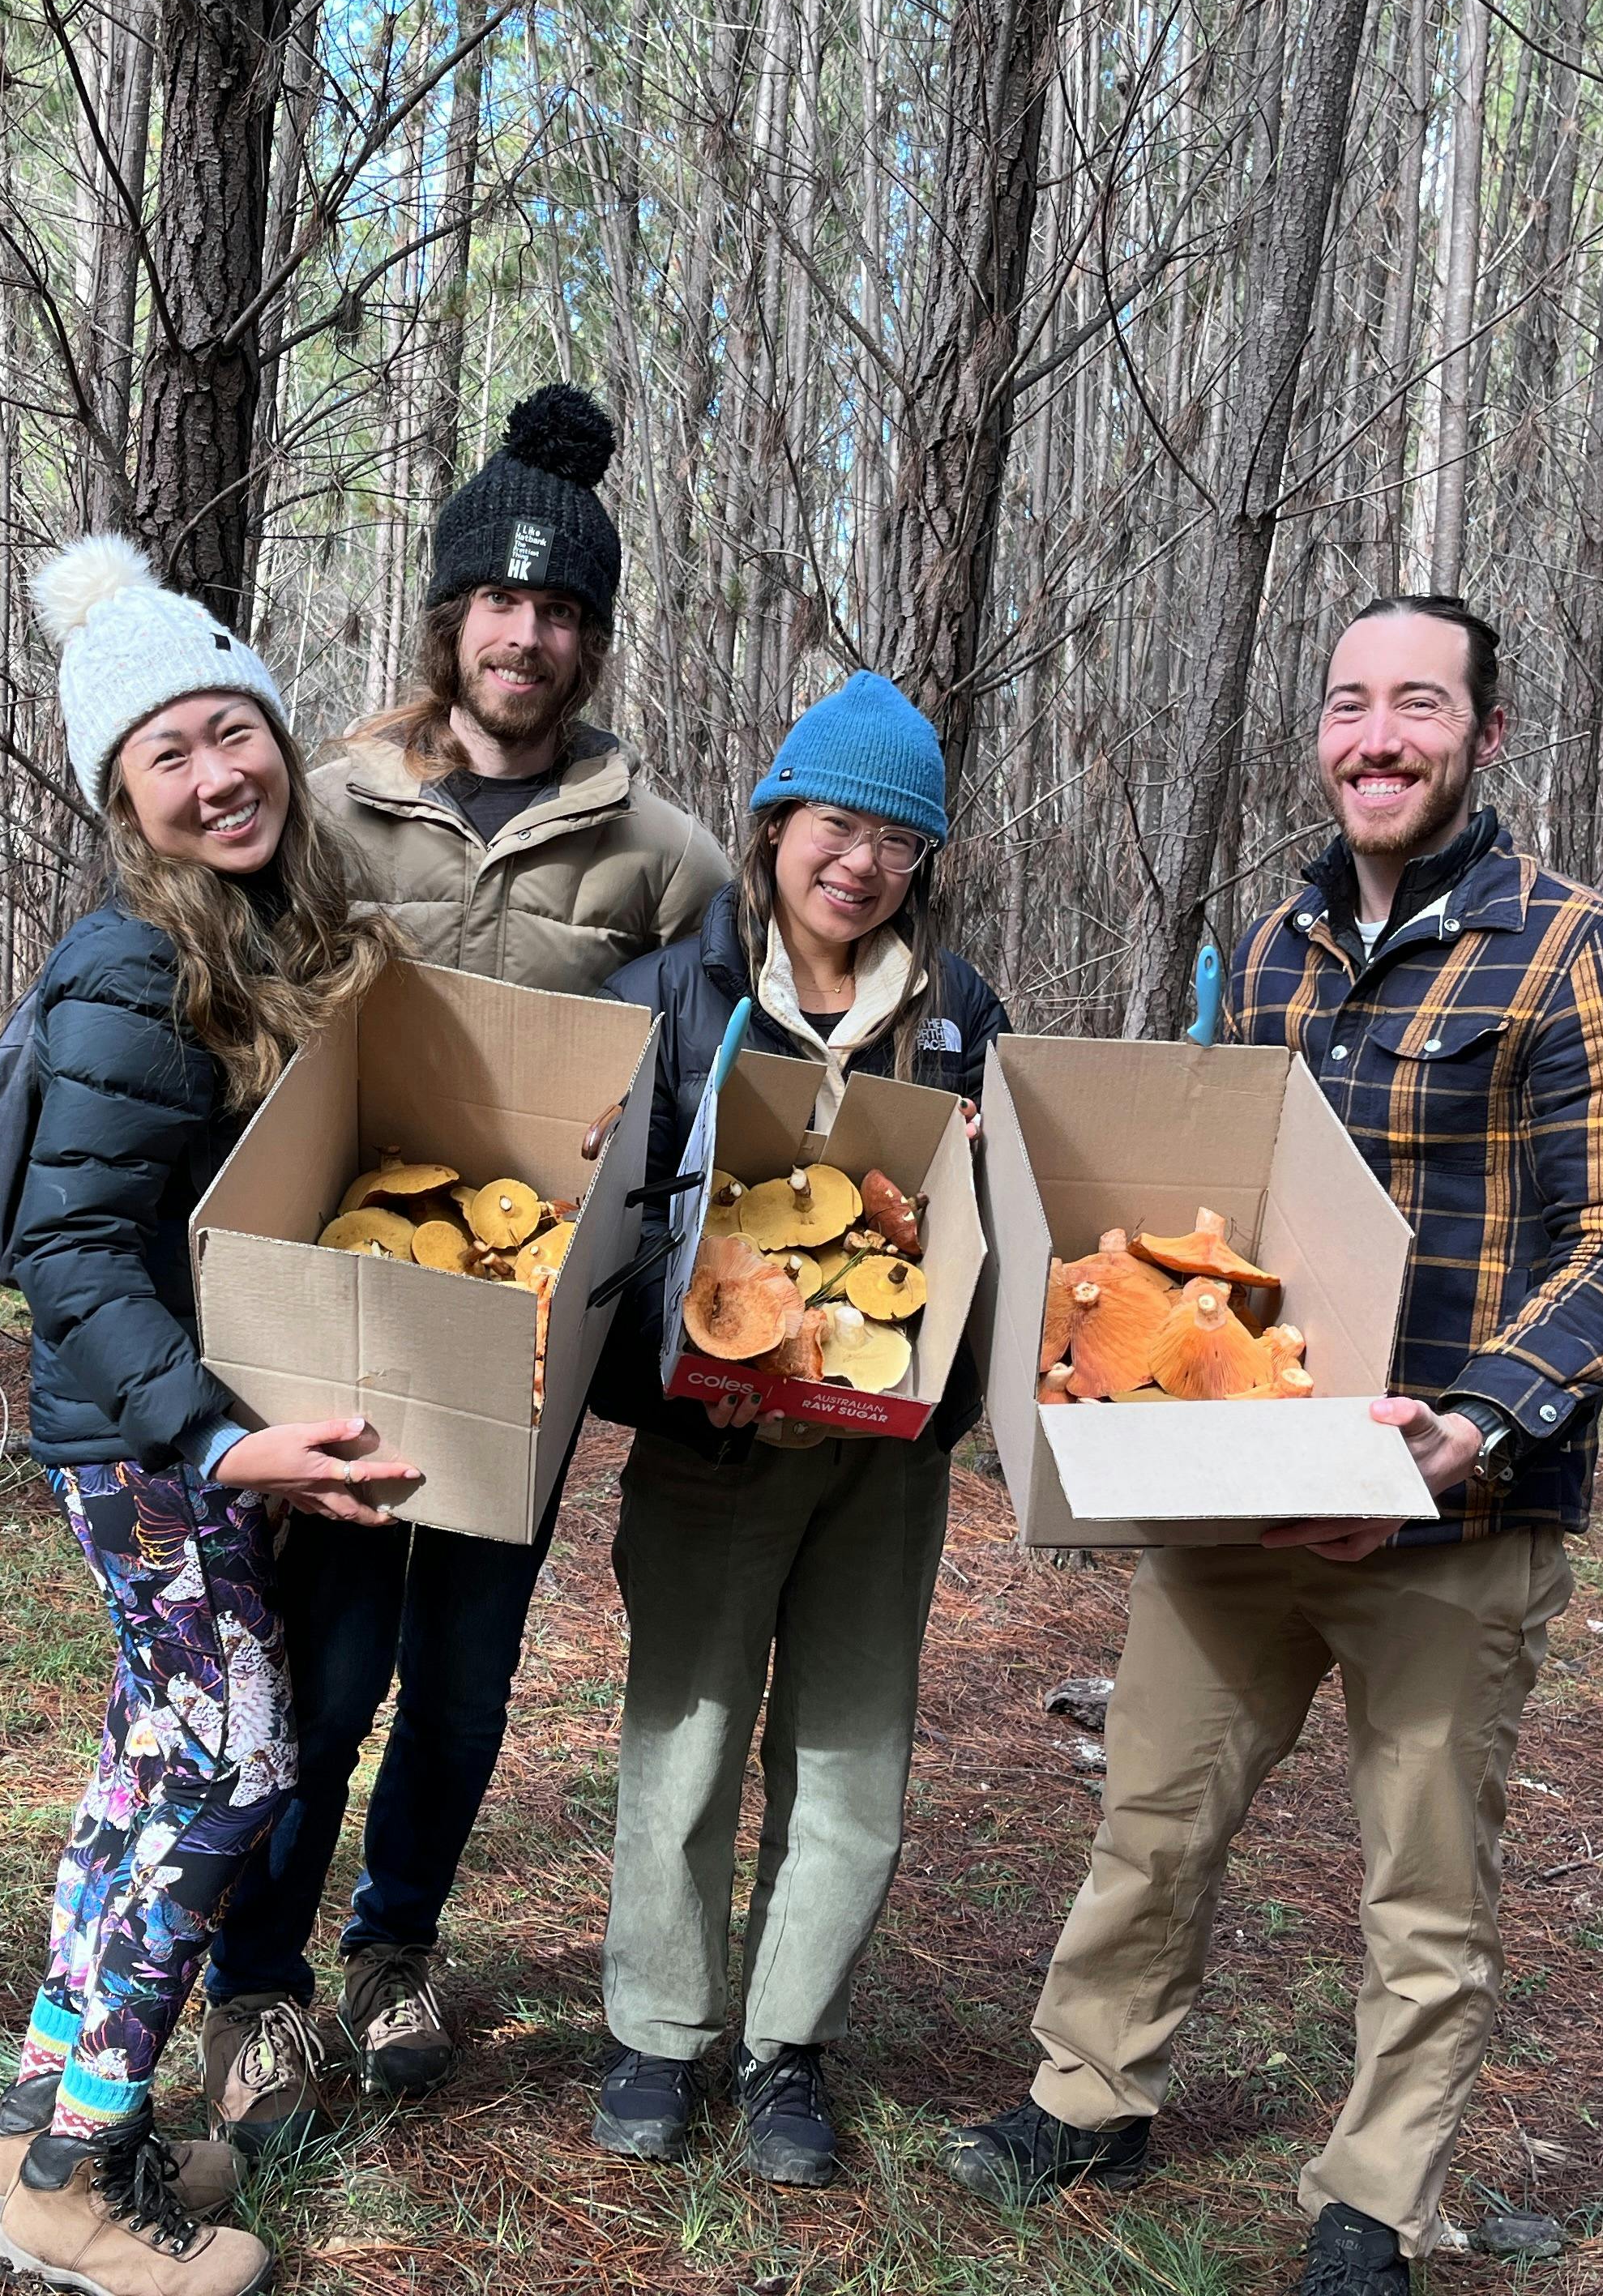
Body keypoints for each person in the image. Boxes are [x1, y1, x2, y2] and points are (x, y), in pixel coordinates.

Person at [942, 595, 1603, 2296]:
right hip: (1241, 1485)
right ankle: (1094, 2089)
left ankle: (1373, 2197)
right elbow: (1213, 1221)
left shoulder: (1583, 950)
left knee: (1424, 1879)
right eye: (1351, 703)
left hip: (1454, 1513)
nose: (1377, 737)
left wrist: (1478, 1427)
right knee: (1155, 1808)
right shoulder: (1278, 943)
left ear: (1484, 736)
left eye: (1417, 706)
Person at [194, 384, 729, 2147]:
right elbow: (236, 1011)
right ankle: (254, 1983)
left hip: (525, 1346)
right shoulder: (336, 802)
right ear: (451, 617)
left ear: (590, 640)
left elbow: (703, 1090)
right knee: (325, 1673)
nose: (530, 632)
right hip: (347, 1308)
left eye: (564, 609)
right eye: (502, 602)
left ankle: (394, 1944)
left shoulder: (665, 858)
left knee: (467, 1683)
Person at [0, 534, 413, 2296]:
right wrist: (219, 1442)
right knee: (233, 1768)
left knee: (147, 1765)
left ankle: (41, 2118)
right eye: (172, 753)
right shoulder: (132, 972)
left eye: (237, 732)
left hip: (170, 1438)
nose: (219, 773)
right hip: (151, 1452)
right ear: (122, 796)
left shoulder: (249, 937)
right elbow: (70, 1247)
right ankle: (83, 2180)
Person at [582, 672, 1010, 2188]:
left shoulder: (958, 1019)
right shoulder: (670, 995)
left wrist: (936, 1394)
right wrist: (692, 1366)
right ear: (775, 826)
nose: (862, 862)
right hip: (713, 1442)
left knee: (851, 1749)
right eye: (837, 822)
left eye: (899, 838)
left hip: (883, 1465)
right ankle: (658, 2029)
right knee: (684, 1733)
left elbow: (990, 1249)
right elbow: (600, 1238)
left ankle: (789, 2046)